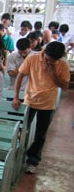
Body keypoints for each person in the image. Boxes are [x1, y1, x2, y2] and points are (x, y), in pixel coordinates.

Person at [12, 41, 70, 174]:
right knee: (22, 130)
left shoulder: (62, 64)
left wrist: (53, 73)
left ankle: (32, 160)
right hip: (30, 99)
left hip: (48, 102)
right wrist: (16, 97)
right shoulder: (33, 58)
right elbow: (20, 76)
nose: (49, 62)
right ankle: (18, 155)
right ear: (45, 52)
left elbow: (65, 86)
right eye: (48, 59)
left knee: (40, 134)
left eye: (53, 61)